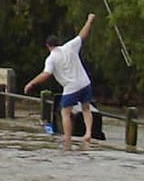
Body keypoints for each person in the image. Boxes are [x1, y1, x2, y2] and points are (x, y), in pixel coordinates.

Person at [24, 13, 95, 146]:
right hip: (85, 83)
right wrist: (89, 21)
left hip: (71, 87)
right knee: (86, 108)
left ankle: (67, 139)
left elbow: (46, 74)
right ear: (58, 43)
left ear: (47, 46)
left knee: (65, 112)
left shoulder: (51, 58)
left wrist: (31, 83)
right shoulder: (69, 46)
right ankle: (88, 133)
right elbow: (82, 35)